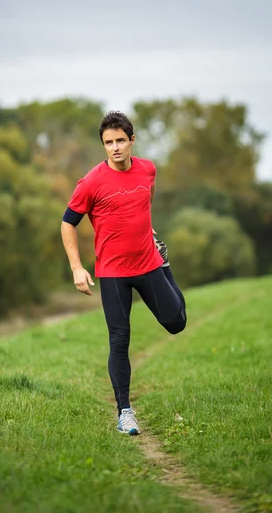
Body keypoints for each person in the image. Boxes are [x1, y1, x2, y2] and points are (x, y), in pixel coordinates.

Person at [61, 111, 187, 435]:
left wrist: (146, 225)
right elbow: (67, 223)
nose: (115, 147)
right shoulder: (90, 183)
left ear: (132, 140)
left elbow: (149, 194)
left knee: (177, 322)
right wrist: (77, 267)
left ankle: (166, 262)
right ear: (102, 145)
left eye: (120, 140)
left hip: (148, 263)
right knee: (119, 340)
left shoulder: (148, 169)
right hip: (113, 272)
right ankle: (125, 412)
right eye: (108, 142)